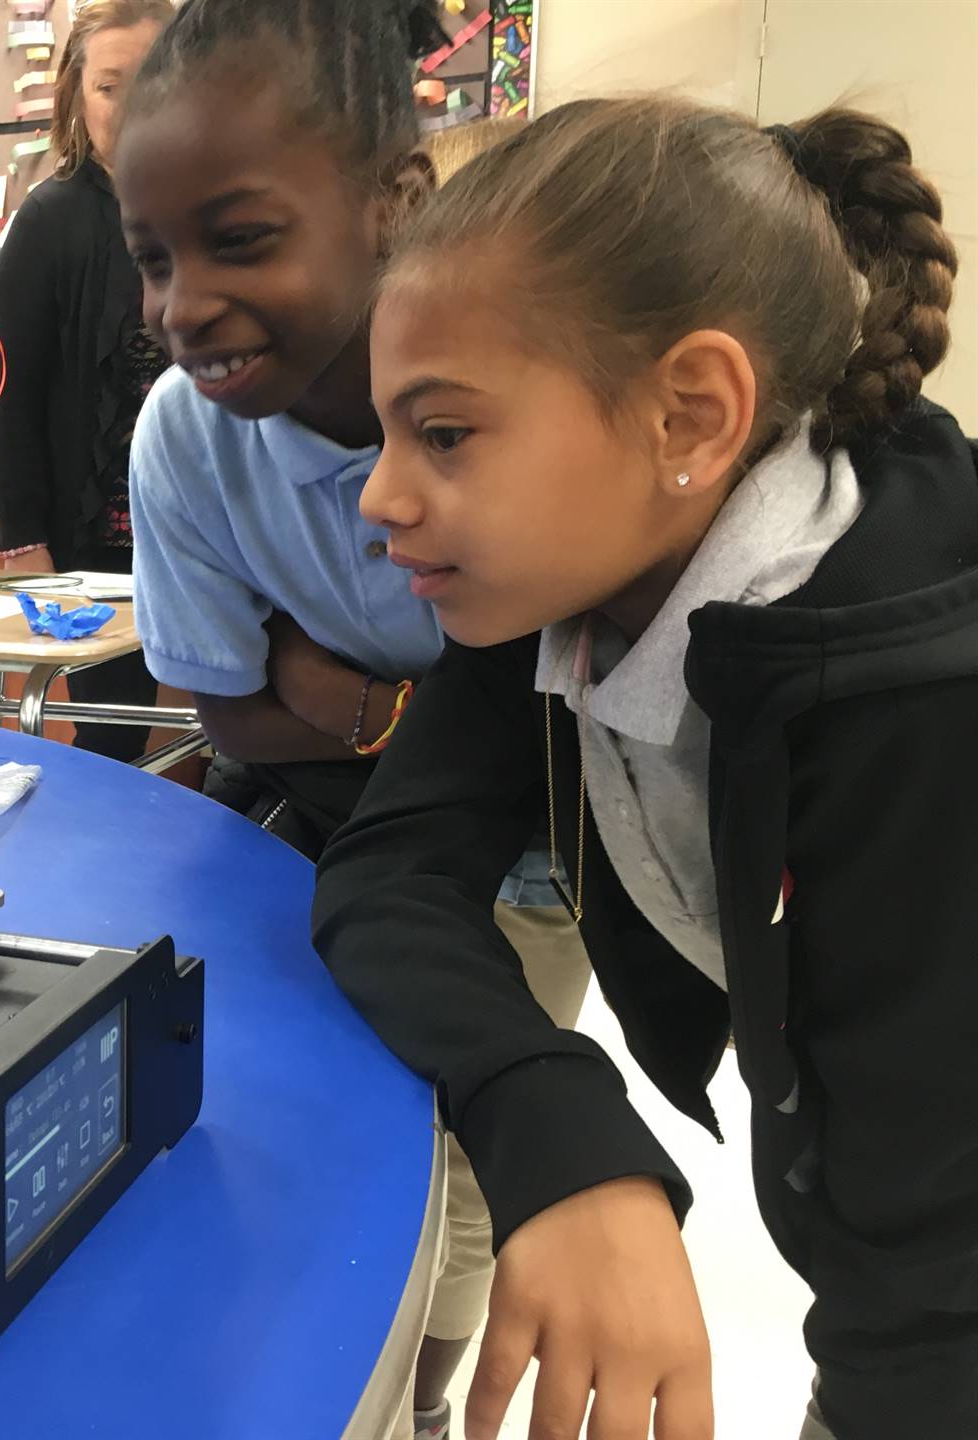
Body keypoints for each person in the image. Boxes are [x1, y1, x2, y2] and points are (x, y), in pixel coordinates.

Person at [318, 97, 970, 1440]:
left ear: (689, 415)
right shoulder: (567, 579)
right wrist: (557, 1123)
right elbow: (388, 872)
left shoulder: (913, 700)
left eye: (443, 434)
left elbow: (924, 1241)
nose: (381, 497)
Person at [111, 5, 589, 1438]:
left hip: (544, 849)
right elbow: (231, 709)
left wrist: (333, 684)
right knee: (335, 1137)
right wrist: (349, 699)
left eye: (240, 240)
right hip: (334, 840)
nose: (183, 302)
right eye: (153, 257)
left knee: (454, 1167)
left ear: (397, 204)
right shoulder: (188, 438)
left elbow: (542, 681)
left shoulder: (519, 383)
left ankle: (421, 1410)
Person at [0, 0, 174, 764]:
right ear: (76, 95)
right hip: (95, 540)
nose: (131, 108)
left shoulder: (212, 211)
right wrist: (25, 541)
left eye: (153, 80)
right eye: (110, 86)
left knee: (221, 730)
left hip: (200, 534)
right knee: (113, 738)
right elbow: (13, 392)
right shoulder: (47, 221)